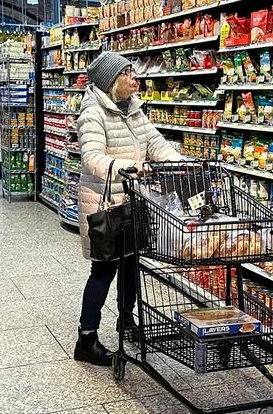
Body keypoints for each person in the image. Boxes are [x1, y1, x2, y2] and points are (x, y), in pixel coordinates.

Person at [74, 52, 182, 366]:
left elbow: (156, 143)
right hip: (105, 204)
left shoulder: (134, 111)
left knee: (132, 265)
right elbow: (91, 159)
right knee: (103, 270)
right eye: (127, 74)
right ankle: (86, 338)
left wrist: (181, 163)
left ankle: (126, 321)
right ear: (110, 81)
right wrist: (130, 167)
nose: (135, 79)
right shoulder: (92, 114)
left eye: (134, 73)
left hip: (134, 202)